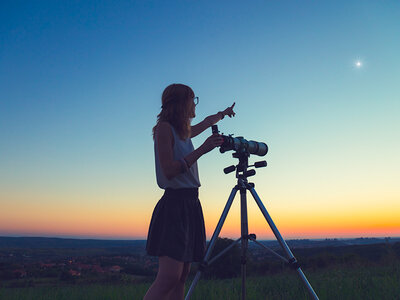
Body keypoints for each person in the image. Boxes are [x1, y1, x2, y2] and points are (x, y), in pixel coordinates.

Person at [143, 83, 235, 300]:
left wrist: (223, 114)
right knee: (169, 278)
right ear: (180, 103)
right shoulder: (164, 129)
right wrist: (203, 149)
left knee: (182, 276)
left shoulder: (182, 130)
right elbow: (169, 170)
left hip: (191, 203)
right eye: (192, 99)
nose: (194, 104)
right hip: (175, 204)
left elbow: (205, 122)